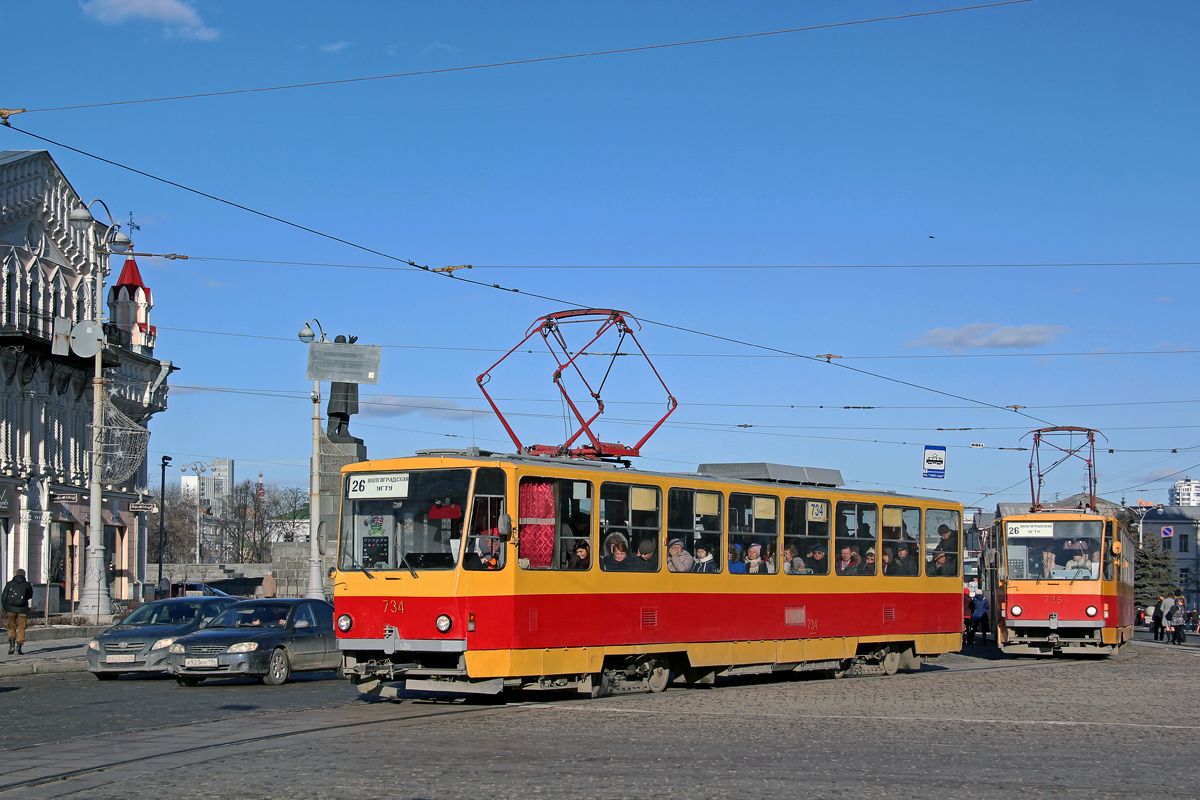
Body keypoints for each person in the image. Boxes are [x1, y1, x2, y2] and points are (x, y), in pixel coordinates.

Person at [3, 568, 33, 655]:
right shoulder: (27, 585)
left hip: (11, 609)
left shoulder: (9, 584)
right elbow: (29, 596)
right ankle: (19, 647)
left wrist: (6, 608)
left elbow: (4, 597)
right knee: (21, 627)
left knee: (11, 626)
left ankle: (12, 645)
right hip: (22, 609)